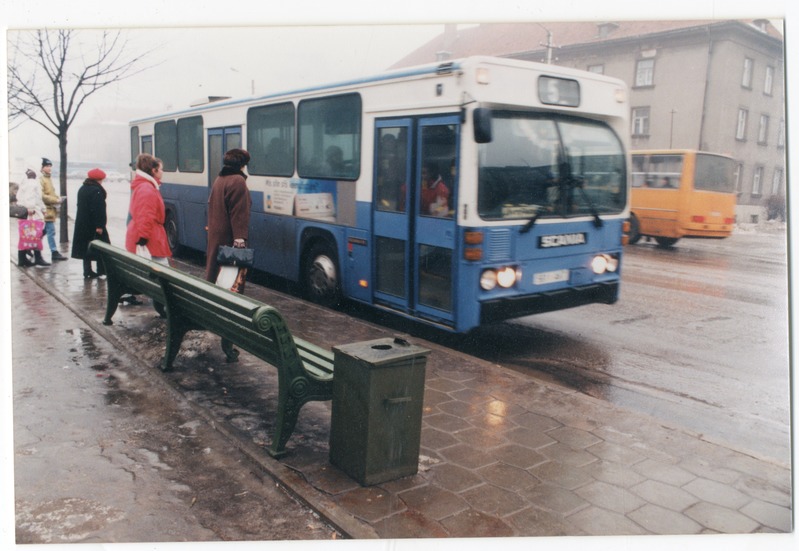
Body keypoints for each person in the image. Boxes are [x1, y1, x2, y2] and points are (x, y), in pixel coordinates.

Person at [205, 148, 252, 283]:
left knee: (216, 274)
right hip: (228, 238)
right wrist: (240, 238)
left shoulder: (219, 179)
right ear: (242, 166)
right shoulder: (238, 181)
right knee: (230, 279)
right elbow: (239, 212)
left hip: (217, 236)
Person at [126, 154, 171, 266]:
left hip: (147, 235)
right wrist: (144, 237)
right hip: (151, 240)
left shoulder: (143, 186)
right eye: (161, 169)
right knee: (164, 272)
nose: (162, 172)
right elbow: (145, 215)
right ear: (153, 170)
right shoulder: (147, 188)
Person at [71, 168, 110, 279]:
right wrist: (100, 225)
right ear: (99, 179)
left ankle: (87, 271)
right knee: (103, 247)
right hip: (94, 225)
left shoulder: (82, 188)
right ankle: (101, 271)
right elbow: (99, 210)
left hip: (83, 224)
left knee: (85, 248)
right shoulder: (96, 190)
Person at [16, 169, 50, 267]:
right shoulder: (33, 183)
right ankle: (37, 258)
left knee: (26, 235)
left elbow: (24, 197)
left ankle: (23, 259)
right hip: (32, 212)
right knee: (36, 233)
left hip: (25, 211)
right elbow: (33, 197)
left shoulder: (25, 182)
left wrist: (42, 208)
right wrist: (31, 209)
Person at [39, 158, 68, 261]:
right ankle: (54, 252)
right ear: (42, 168)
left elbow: (50, 193)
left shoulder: (48, 178)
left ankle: (33, 245)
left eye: (50, 166)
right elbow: (41, 195)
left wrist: (58, 198)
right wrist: (55, 200)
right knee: (51, 231)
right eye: (47, 166)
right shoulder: (41, 179)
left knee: (45, 231)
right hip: (46, 210)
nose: (49, 168)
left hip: (50, 209)